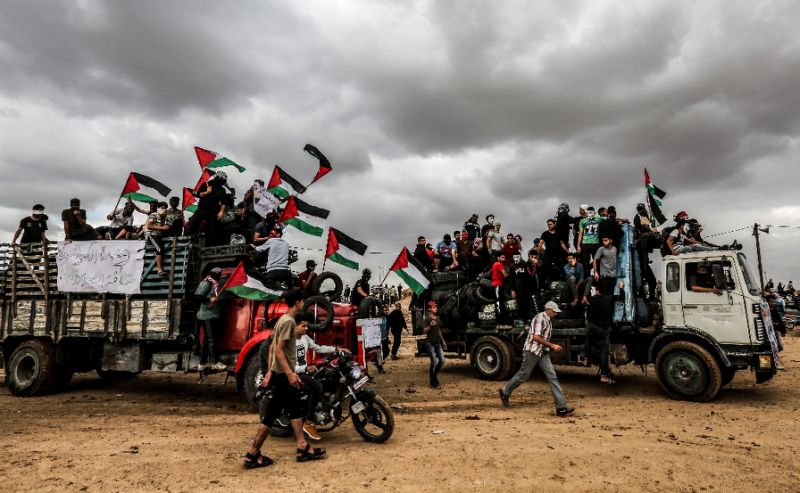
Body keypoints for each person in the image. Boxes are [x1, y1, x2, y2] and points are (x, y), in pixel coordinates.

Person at [244, 289, 325, 468]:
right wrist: (289, 373)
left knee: (295, 410)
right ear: (297, 302)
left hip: (281, 374)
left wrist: (270, 371)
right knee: (271, 416)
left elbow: (273, 346)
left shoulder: (282, 320)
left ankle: (302, 446)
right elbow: (279, 349)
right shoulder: (288, 322)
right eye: (302, 301)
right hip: (284, 377)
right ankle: (252, 454)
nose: (303, 304)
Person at [498, 301, 574, 416]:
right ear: (548, 310)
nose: (555, 314)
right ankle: (505, 391)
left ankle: (561, 407)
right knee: (523, 375)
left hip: (542, 351)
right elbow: (536, 337)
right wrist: (552, 345)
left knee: (552, 376)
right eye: (554, 312)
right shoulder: (540, 319)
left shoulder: (547, 320)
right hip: (532, 351)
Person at [293, 312, 340, 442]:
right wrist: (306, 368)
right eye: (304, 326)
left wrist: (337, 349)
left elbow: (318, 348)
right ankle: (308, 422)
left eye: (307, 326)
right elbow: (288, 366)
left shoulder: (305, 338)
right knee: (317, 386)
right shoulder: (289, 342)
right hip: (295, 374)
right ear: (295, 326)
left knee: (325, 379)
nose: (307, 328)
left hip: (305, 372)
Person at [580, 281, 616, 384]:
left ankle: (585, 357)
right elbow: (621, 296)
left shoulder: (593, 299)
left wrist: (585, 299)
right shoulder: (610, 298)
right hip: (603, 329)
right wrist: (621, 288)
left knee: (588, 337)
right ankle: (603, 375)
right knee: (604, 350)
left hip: (593, 327)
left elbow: (585, 304)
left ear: (597, 290)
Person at [195, 267, 227, 372]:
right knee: (212, 339)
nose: (218, 276)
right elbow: (198, 296)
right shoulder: (207, 283)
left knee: (207, 341)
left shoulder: (215, 283)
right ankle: (214, 362)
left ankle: (202, 363)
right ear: (212, 274)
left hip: (212, 315)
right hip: (207, 315)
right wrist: (210, 299)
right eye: (217, 274)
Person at [185, 170, 227, 245]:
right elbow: (199, 194)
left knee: (212, 230)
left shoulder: (222, 190)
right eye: (222, 179)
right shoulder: (206, 184)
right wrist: (207, 192)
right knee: (193, 225)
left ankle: (209, 246)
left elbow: (223, 202)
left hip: (213, 212)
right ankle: (185, 242)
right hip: (202, 210)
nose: (223, 181)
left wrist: (222, 211)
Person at [423, 301, 447, 388]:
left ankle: (433, 377)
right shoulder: (427, 319)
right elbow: (424, 331)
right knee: (434, 362)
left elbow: (439, 330)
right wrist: (430, 326)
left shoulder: (438, 318)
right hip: (430, 343)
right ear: (429, 309)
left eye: (436, 307)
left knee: (442, 361)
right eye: (434, 307)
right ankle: (433, 382)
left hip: (438, 343)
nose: (436, 308)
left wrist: (443, 341)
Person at [145, 201, 170, 276]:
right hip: (151, 235)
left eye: (165, 208)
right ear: (158, 208)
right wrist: (161, 227)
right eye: (162, 208)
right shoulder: (154, 215)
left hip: (159, 235)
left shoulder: (164, 217)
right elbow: (149, 226)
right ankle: (159, 270)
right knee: (159, 249)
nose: (164, 209)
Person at [577, 206, 604, 273]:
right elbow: (580, 233)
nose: (590, 214)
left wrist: (622, 220)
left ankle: (597, 277)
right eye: (589, 213)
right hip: (585, 243)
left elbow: (609, 219)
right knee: (585, 262)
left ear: (594, 213)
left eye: (592, 213)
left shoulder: (599, 219)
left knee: (597, 262)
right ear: (587, 213)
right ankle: (587, 278)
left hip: (595, 244)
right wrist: (578, 245)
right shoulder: (583, 221)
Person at [524, 250, 544, 318]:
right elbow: (531, 274)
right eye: (533, 257)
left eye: (536, 257)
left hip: (537, 288)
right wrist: (535, 265)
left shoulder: (538, 264)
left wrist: (542, 288)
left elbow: (541, 275)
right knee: (533, 304)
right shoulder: (527, 265)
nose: (535, 258)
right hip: (531, 288)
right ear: (530, 257)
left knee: (538, 303)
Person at [491, 253, 510, 322]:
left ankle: (501, 320)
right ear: (498, 258)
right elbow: (505, 275)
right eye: (502, 257)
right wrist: (510, 273)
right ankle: (500, 321)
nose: (504, 259)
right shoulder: (499, 264)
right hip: (497, 285)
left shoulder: (494, 264)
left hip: (498, 285)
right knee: (498, 303)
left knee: (499, 302)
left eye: (504, 257)